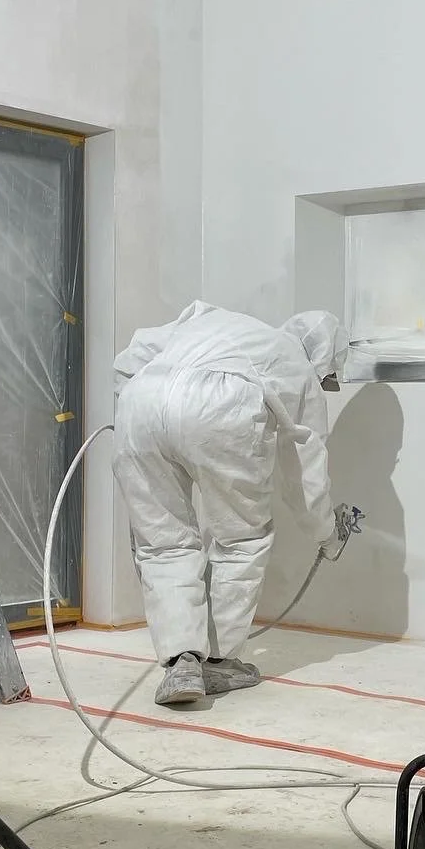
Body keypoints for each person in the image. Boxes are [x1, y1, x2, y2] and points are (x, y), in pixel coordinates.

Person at [111, 301, 349, 706]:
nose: (324, 383)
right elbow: (304, 473)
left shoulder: (211, 318)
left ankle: (182, 659)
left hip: (140, 402)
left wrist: (144, 409)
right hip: (221, 406)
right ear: (322, 357)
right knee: (242, 538)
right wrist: (328, 534)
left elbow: (129, 357)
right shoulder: (297, 364)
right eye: (328, 376)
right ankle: (218, 663)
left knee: (163, 543)